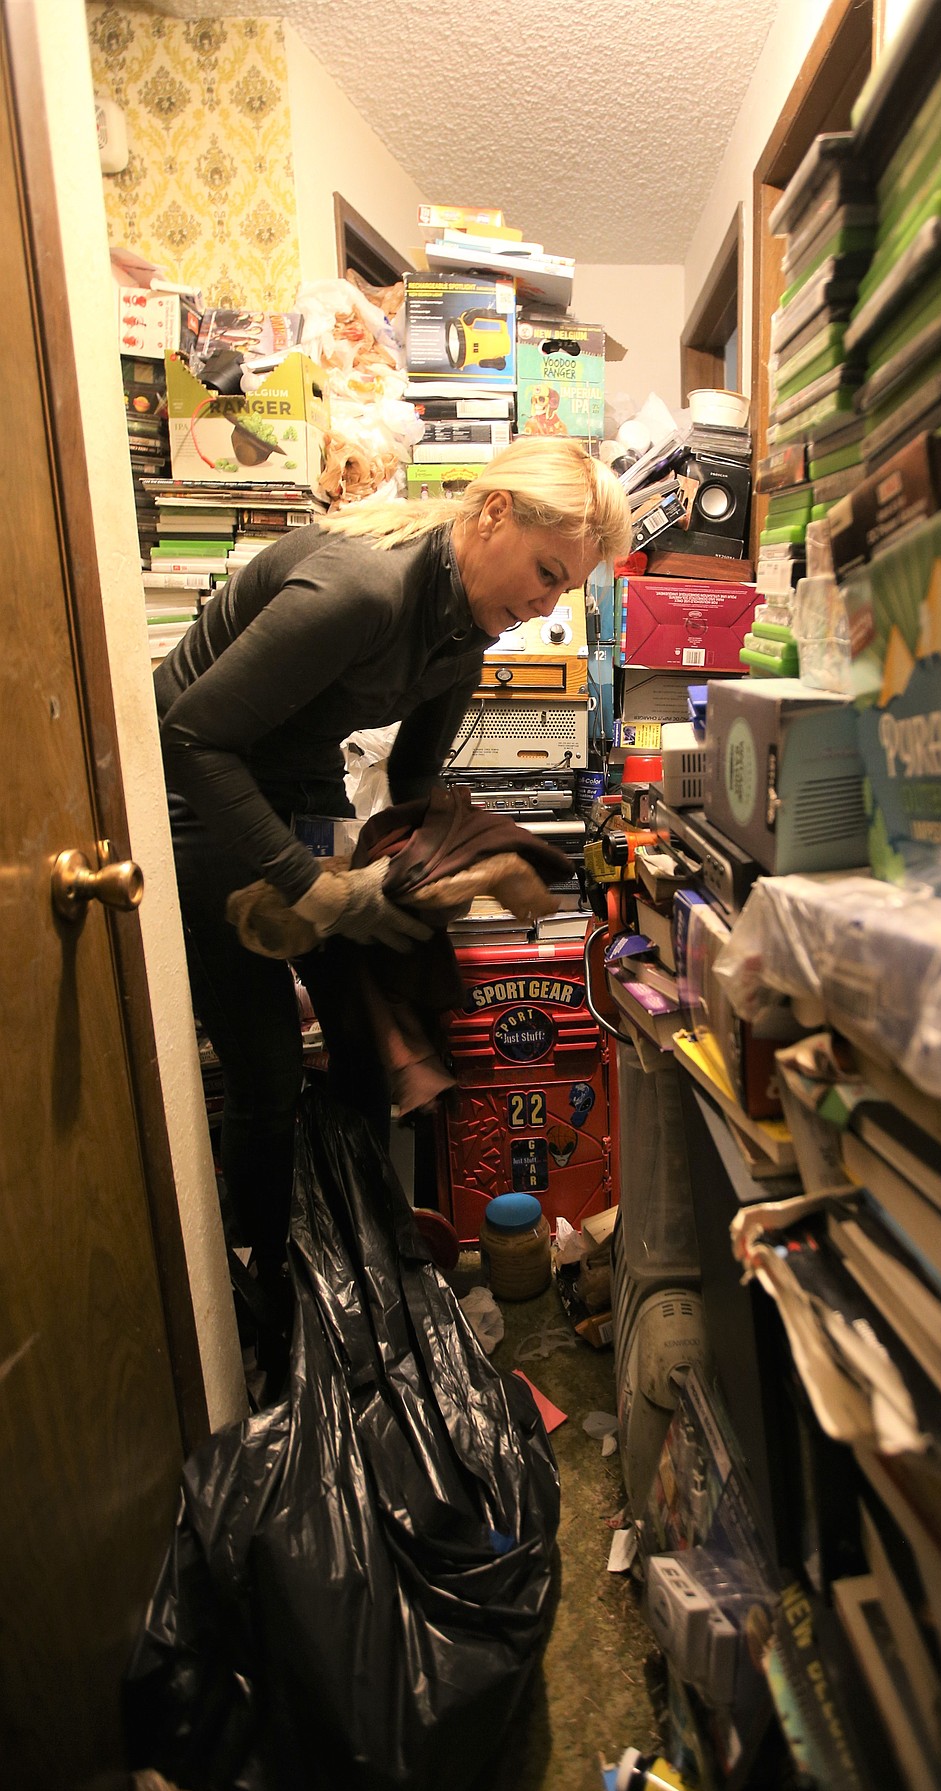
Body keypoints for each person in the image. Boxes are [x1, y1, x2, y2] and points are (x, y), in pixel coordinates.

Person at [155, 437, 631, 1361]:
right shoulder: (364, 590)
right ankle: (263, 1295)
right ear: (492, 513)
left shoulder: (465, 630)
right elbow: (191, 736)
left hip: (300, 790)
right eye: (544, 573)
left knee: (372, 1051)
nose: (544, 606)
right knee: (267, 1072)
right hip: (202, 799)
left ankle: (360, 1260)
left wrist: (460, 868)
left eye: (562, 591)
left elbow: (414, 782)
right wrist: (312, 890)